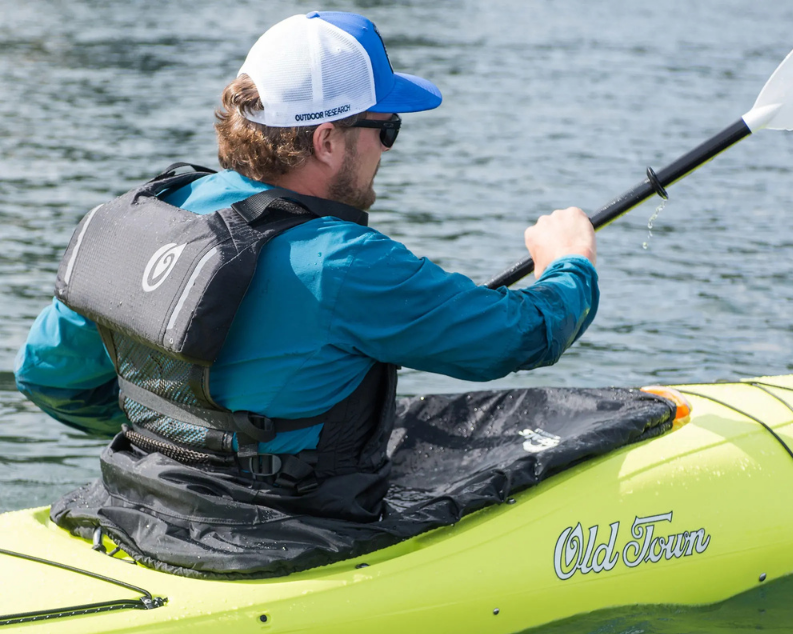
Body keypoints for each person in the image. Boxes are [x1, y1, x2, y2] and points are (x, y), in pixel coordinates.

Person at [14, 11, 598, 527]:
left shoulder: (147, 215)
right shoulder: (345, 263)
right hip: (278, 535)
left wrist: (174, 441)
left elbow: (47, 375)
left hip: (135, 503)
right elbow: (518, 336)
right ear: (326, 140)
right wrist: (569, 262)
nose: (388, 149)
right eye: (386, 129)